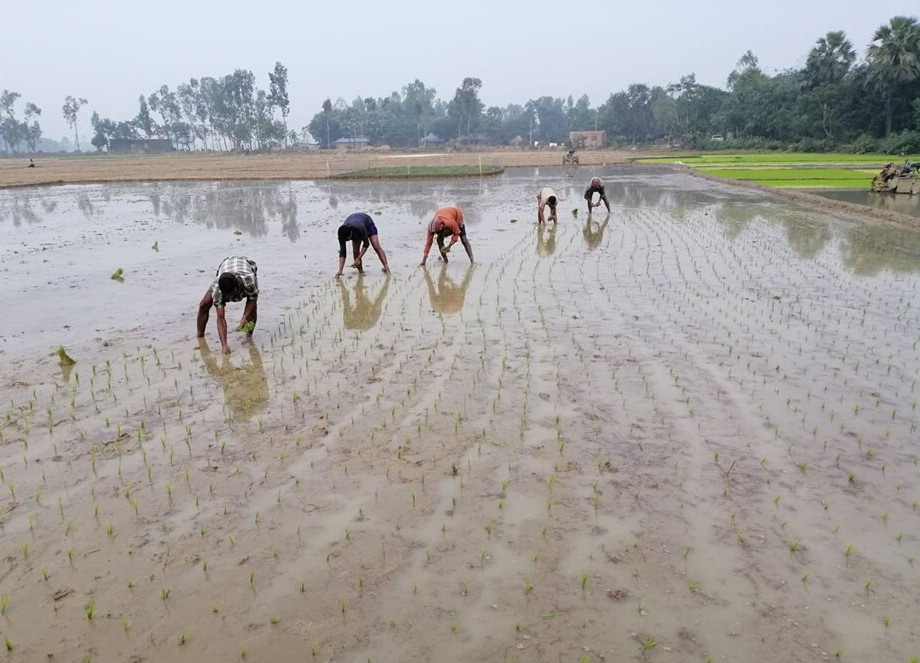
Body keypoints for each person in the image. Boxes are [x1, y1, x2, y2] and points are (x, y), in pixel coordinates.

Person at [197, 256, 258, 354]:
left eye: (232, 294)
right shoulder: (218, 289)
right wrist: (224, 344)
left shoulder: (249, 279)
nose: (230, 297)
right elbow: (220, 318)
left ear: (237, 287)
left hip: (244, 265)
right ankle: (200, 335)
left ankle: (249, 336)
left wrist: (245, 316)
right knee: (204, 304)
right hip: (225, 266)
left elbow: (252, 299)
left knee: (252, 309)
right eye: (227, 295)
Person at [335, 212, 390, 277]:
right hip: (354, 224)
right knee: (355, 250)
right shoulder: (342, 234)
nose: (346, 241)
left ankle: (387, 268)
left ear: (350, 234)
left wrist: (359, 258)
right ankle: (361, 272)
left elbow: (366, 244)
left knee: (376, 245)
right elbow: (343, 252)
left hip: (367, 224)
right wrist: (340, 270)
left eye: (347, 239)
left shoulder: (359, 228)